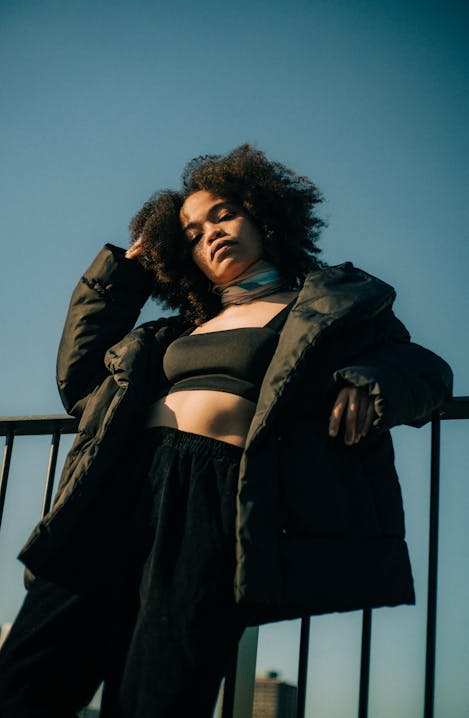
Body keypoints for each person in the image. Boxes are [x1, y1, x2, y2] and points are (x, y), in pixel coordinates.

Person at [0, 145, 452, 717]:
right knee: (26, 677)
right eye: (190, 234)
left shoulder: (328, 309)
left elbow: (424, 368)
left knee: (159, 692)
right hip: (119, 491)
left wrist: (368, 381)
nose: (209, 234)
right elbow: (80, 381)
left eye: (222, 214)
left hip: (215, 503)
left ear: (263, 216)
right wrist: (125, 274)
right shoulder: (171, 333)